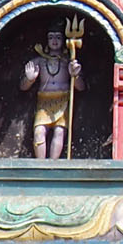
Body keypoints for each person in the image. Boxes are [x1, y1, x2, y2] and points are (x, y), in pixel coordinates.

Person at [22, 26, 83, 160]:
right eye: (51, 37)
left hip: (63, 100)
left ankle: (53, 164)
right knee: (39, 131)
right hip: (44, 102)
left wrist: (75, 75)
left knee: (59, 131)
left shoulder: (69, 61)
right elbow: (23, 87)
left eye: (58, 37)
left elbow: (81, 87)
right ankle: (41, 164)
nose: (54, 41)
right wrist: (30, 79)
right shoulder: (38, 61)